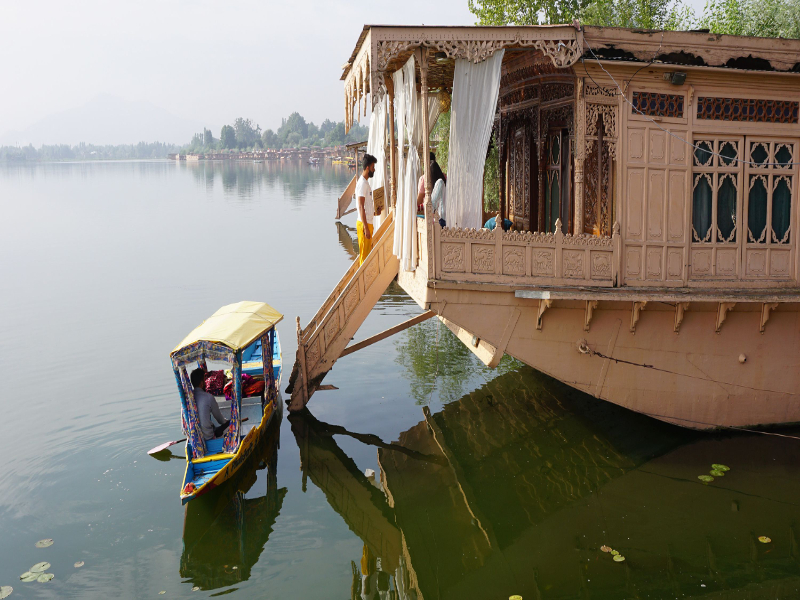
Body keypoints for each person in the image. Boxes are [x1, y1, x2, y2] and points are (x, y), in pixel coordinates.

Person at [190, 368, 230, 441]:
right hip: (208, 437)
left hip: (194, 439)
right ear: (202, 383)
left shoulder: (187, 400)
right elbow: (220, 420)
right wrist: (228, 422)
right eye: (205, 380)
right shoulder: (208, 397)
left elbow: (183, 429)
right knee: (229, 425)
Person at [356, 154, 377, 265]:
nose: (374, 170)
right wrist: (365, 228)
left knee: (366, 255)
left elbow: (366, 206)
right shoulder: (362, 184)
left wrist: (374, 213)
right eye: (373, 167)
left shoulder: (365, 183)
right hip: (364, 225)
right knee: (364, 258)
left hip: (368, 223)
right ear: (368, 167)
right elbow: (360, 206)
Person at [430, 160, 447, 227]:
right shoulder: (442, 182)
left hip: (442, 219)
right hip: (442, 217)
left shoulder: (439, 182)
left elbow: (432, 202)